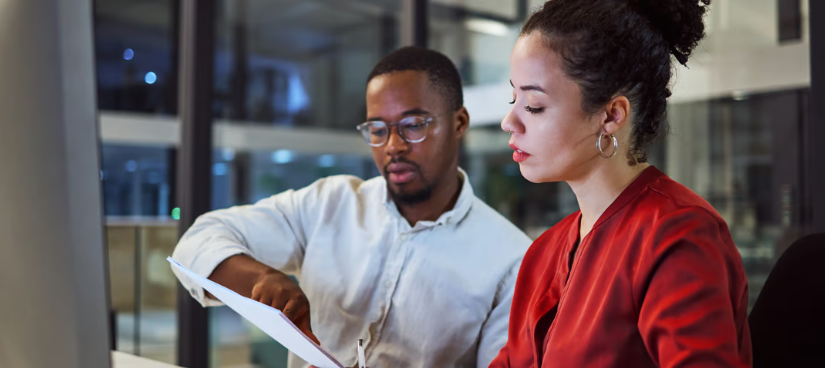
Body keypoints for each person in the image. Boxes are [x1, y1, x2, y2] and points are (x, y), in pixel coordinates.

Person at [171, 46, 531, 368]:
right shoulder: (329, 203)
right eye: (377, 129)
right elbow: (197, 242)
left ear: (459, 123)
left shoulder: (512, 260)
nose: (393, 146)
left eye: (413, 125)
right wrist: (262, 279)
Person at [491, 1, 752, 367]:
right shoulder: (544, 253)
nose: (509, 121)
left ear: (611, 115)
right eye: (513, 98)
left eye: (533, 105)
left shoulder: (678, 235)